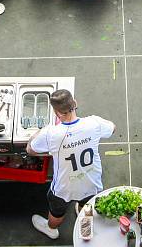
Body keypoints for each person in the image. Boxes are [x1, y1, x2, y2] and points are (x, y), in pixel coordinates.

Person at [27, 89, 115, 240]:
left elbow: (31, 150)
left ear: (56, 112)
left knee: (57, 211)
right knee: (87, 205)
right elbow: (112, 128)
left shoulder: (51, 133)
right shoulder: (94, 123)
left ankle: (51, 229)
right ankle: (85, 230)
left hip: (64, 187)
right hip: (91, 182)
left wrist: (40, 131)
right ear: (75, 103)